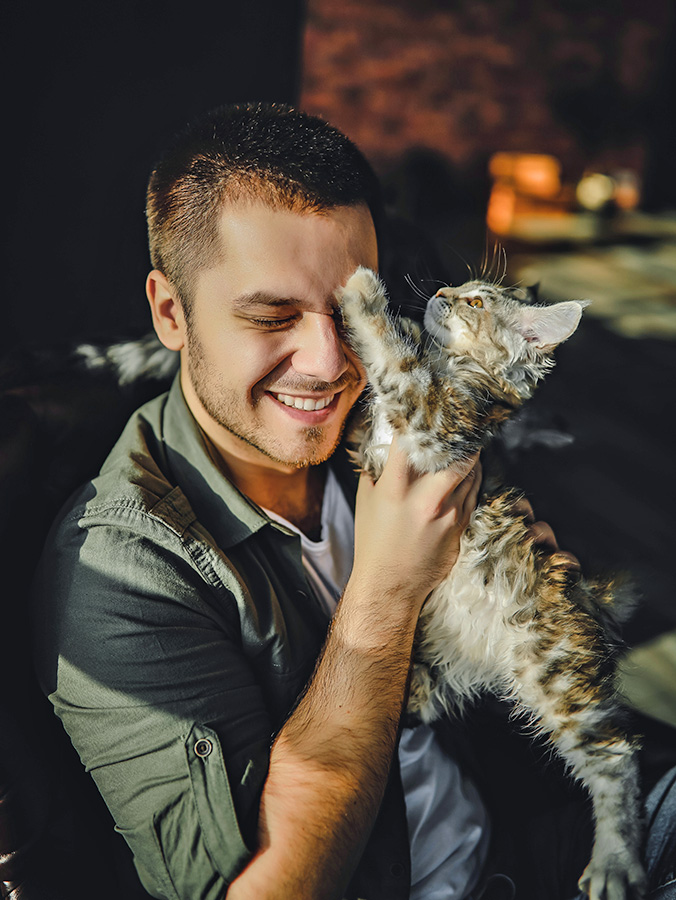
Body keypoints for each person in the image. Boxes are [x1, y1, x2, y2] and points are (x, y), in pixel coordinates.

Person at [33, 102, 676, 900]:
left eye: (348, 312)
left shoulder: (376, 418)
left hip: (543, 827)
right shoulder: (120, 578)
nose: (330, 363)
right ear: (171, 313)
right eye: (271, 316)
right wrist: (386, 589)